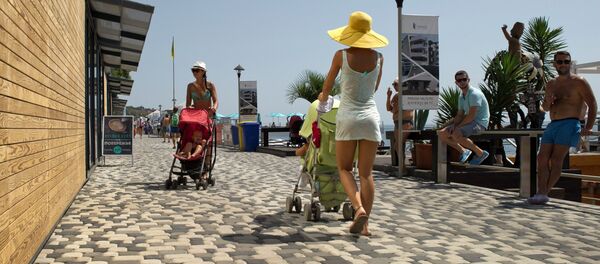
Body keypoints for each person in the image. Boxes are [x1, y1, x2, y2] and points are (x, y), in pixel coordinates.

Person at [318, 11, 388, 236]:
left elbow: (326, 89)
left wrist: (322, 99)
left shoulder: (341, 55)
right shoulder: (379, 58)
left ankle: (358, 210)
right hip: (371, 118)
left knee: (344, 168)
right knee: (366, 174)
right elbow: (374, 88)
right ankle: (365, 226)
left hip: (347, 117)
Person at [530, 51, 597, 205]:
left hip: (570, 123)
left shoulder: (579, 82)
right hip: (553, 124)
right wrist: (547, 102)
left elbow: (592, 104)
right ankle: (541, 192)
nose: (563, 64)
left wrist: (589, 126)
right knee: (541, 158)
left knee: (556, 159)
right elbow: (544, 108)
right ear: (554, 64)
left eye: (566, 62)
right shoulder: (551, 83)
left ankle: (543, 193)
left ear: (570, 63)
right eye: (560, 62)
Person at [438, 70, 490, 165]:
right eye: (459, 80)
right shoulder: (461, 97)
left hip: (480, 123)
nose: (462, 82)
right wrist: (454, 125)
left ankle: (480, 153)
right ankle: (463, 151)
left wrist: (457, 127)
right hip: (469, 123)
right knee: (441, 133)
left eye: (464, 79)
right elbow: (460, 115)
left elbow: (471, 116)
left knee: (456, 132)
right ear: (456, 83)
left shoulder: (475, 94)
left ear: (468, 80)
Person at [386, 77, 415, 171]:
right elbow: (389, 108)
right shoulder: (396, 96)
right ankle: (402, 167)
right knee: (398, 145)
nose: (394, 86)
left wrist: (395, 109)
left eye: (396, 84)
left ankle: (402, 168)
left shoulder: (406, 95)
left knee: (398, 145)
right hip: (397, 123)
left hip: (405, 123)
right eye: (393, 84)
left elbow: (395, 109)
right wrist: (388, 96)